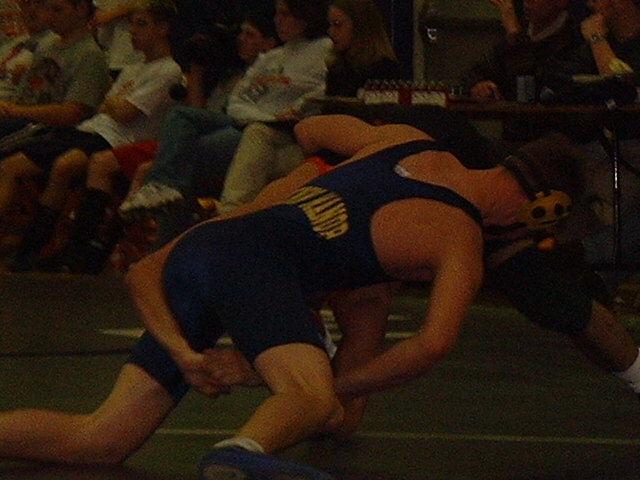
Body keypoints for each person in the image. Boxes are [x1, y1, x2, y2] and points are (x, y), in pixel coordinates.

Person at [0, 114, 638, 479]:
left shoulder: (401, 137)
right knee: (311, 396)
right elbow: (432, 345)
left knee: (100, 440)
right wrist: (326, 385)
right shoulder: (458, 238)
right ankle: (239, 454)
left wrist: (308, 182)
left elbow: (309, 127)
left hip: (208, 249)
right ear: (540, 207)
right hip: (256, 264)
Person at [28, 9, 279, 274]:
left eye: (249, 35)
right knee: (53, 159)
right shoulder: (226, 78)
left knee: (123, 166)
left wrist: (113, 104)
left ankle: (97, 250)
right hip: (174, 138)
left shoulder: (176, 71)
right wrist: (196, 70)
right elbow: (198, 115)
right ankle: (58, 250)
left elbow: (125, 112)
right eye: (241, 34)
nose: (240, 40)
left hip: (145, 139)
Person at [117, 0, 331, 241]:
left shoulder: (323, 51)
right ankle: (161, 190)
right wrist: (258, 116)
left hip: (275, 131)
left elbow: (319, 94)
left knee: (183, 158)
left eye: (285, 14)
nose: (277, 20)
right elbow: (237, 101)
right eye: (277, 13)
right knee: (180, 116)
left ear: (305, 16)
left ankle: (170, 238)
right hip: (245, 120)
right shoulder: (272, 57)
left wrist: (274, 118)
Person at [3, 0, 182, 272]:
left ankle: (66, 249)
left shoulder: (168, 70)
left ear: (163, 29)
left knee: (64, 166)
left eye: (141, 24)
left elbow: (124, 113)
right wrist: (113, 104)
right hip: (89, 130)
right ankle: (32, 248)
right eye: (132, 24)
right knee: (15, 163)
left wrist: (113, 103)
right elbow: (105, 106)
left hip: (115, 140)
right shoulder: (133, 69)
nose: (132, 31)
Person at [213, 0, 401, 216]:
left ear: (360, 26)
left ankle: (229, 216)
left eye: (337, 25)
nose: (331, 32)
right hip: (322, 146)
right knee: (257, 133)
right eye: (329, 25)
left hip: (352, 153)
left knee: (260, 164)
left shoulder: (382, 69)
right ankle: (230, 214)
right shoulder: (337, 67)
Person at [542, 0, 640, 303]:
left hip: (630, 147)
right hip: (597, 144)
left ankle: (592, 277)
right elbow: (557, 80)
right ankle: (574, 271)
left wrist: (598, 40)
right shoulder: (588, 44)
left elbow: (625, 87)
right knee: (555, 168)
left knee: (615, 195)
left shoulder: (599, 39)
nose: (589, 4)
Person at [460, 0, 582, 142]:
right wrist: (480, 86)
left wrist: (514, 36)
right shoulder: (521, 33)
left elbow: (531, 90)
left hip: (557, 140)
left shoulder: (575, 38)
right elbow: (473, 74)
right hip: (513, 139)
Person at [0, 0, 108, 137]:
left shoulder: (90, 55)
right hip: (18, 120)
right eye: (46, 9)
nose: (48, 16)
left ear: (81, 8)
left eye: (57, 10)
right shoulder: (46, 45)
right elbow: (25, 93)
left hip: (45, 131)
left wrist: (15, 111)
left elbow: (71, 114)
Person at [0, 0, 58, 102]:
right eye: (26, 3)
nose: (32, 10)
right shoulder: (16, 42)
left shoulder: (54, 45)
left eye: (38, 3)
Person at [92, 0, 144, 78]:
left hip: (132, 58)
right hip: (107, 54)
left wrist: (115, 13)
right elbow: (98, 16)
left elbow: (142, 5)